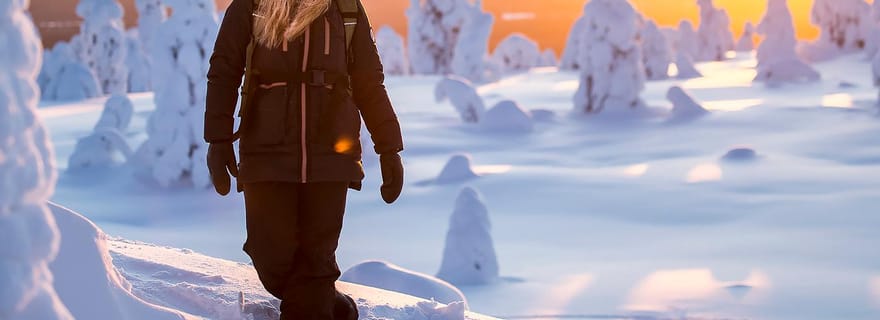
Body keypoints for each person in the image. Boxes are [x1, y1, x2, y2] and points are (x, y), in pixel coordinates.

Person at [203, 0, 404, 318]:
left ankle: (317, 299)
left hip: (331, 155)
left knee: (316, 259)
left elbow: (369, 80)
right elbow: (224, 68)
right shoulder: (251, 5)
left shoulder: (345, 8)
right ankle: (329, 304)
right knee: (271, 254)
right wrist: (218, 138)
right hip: (266, 150)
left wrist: (389, 148)